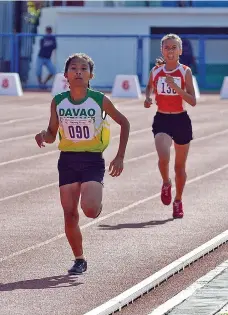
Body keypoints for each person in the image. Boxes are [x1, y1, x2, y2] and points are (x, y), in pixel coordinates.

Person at [35, 53, 130, 274]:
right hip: (67, 160)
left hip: (92, 160)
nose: (79, 72)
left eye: (84, 69)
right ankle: (79, 259)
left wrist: (120, 156)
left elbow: (124, 122)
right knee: (69, 214)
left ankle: (95, 206)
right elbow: (51, 133)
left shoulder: (99, 100)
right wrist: (43, 135)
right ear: (66, 75)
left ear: (90, 75)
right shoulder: (58, 101)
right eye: (74, 68)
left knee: (88, 209)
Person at [144, 33, 196, 219]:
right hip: (162, 120)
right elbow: (149, 86)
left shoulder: (185, 72)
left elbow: (192, 101)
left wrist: (176, 88)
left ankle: (178, 200)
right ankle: (166, 183)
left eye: (174, 47)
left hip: (181, 120)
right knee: (163, 156)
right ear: (162, 50)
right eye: (167, 47)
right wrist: (148, 98)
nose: (170, 51)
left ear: (180, 51)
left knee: (179, 167)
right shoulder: (156, 72)